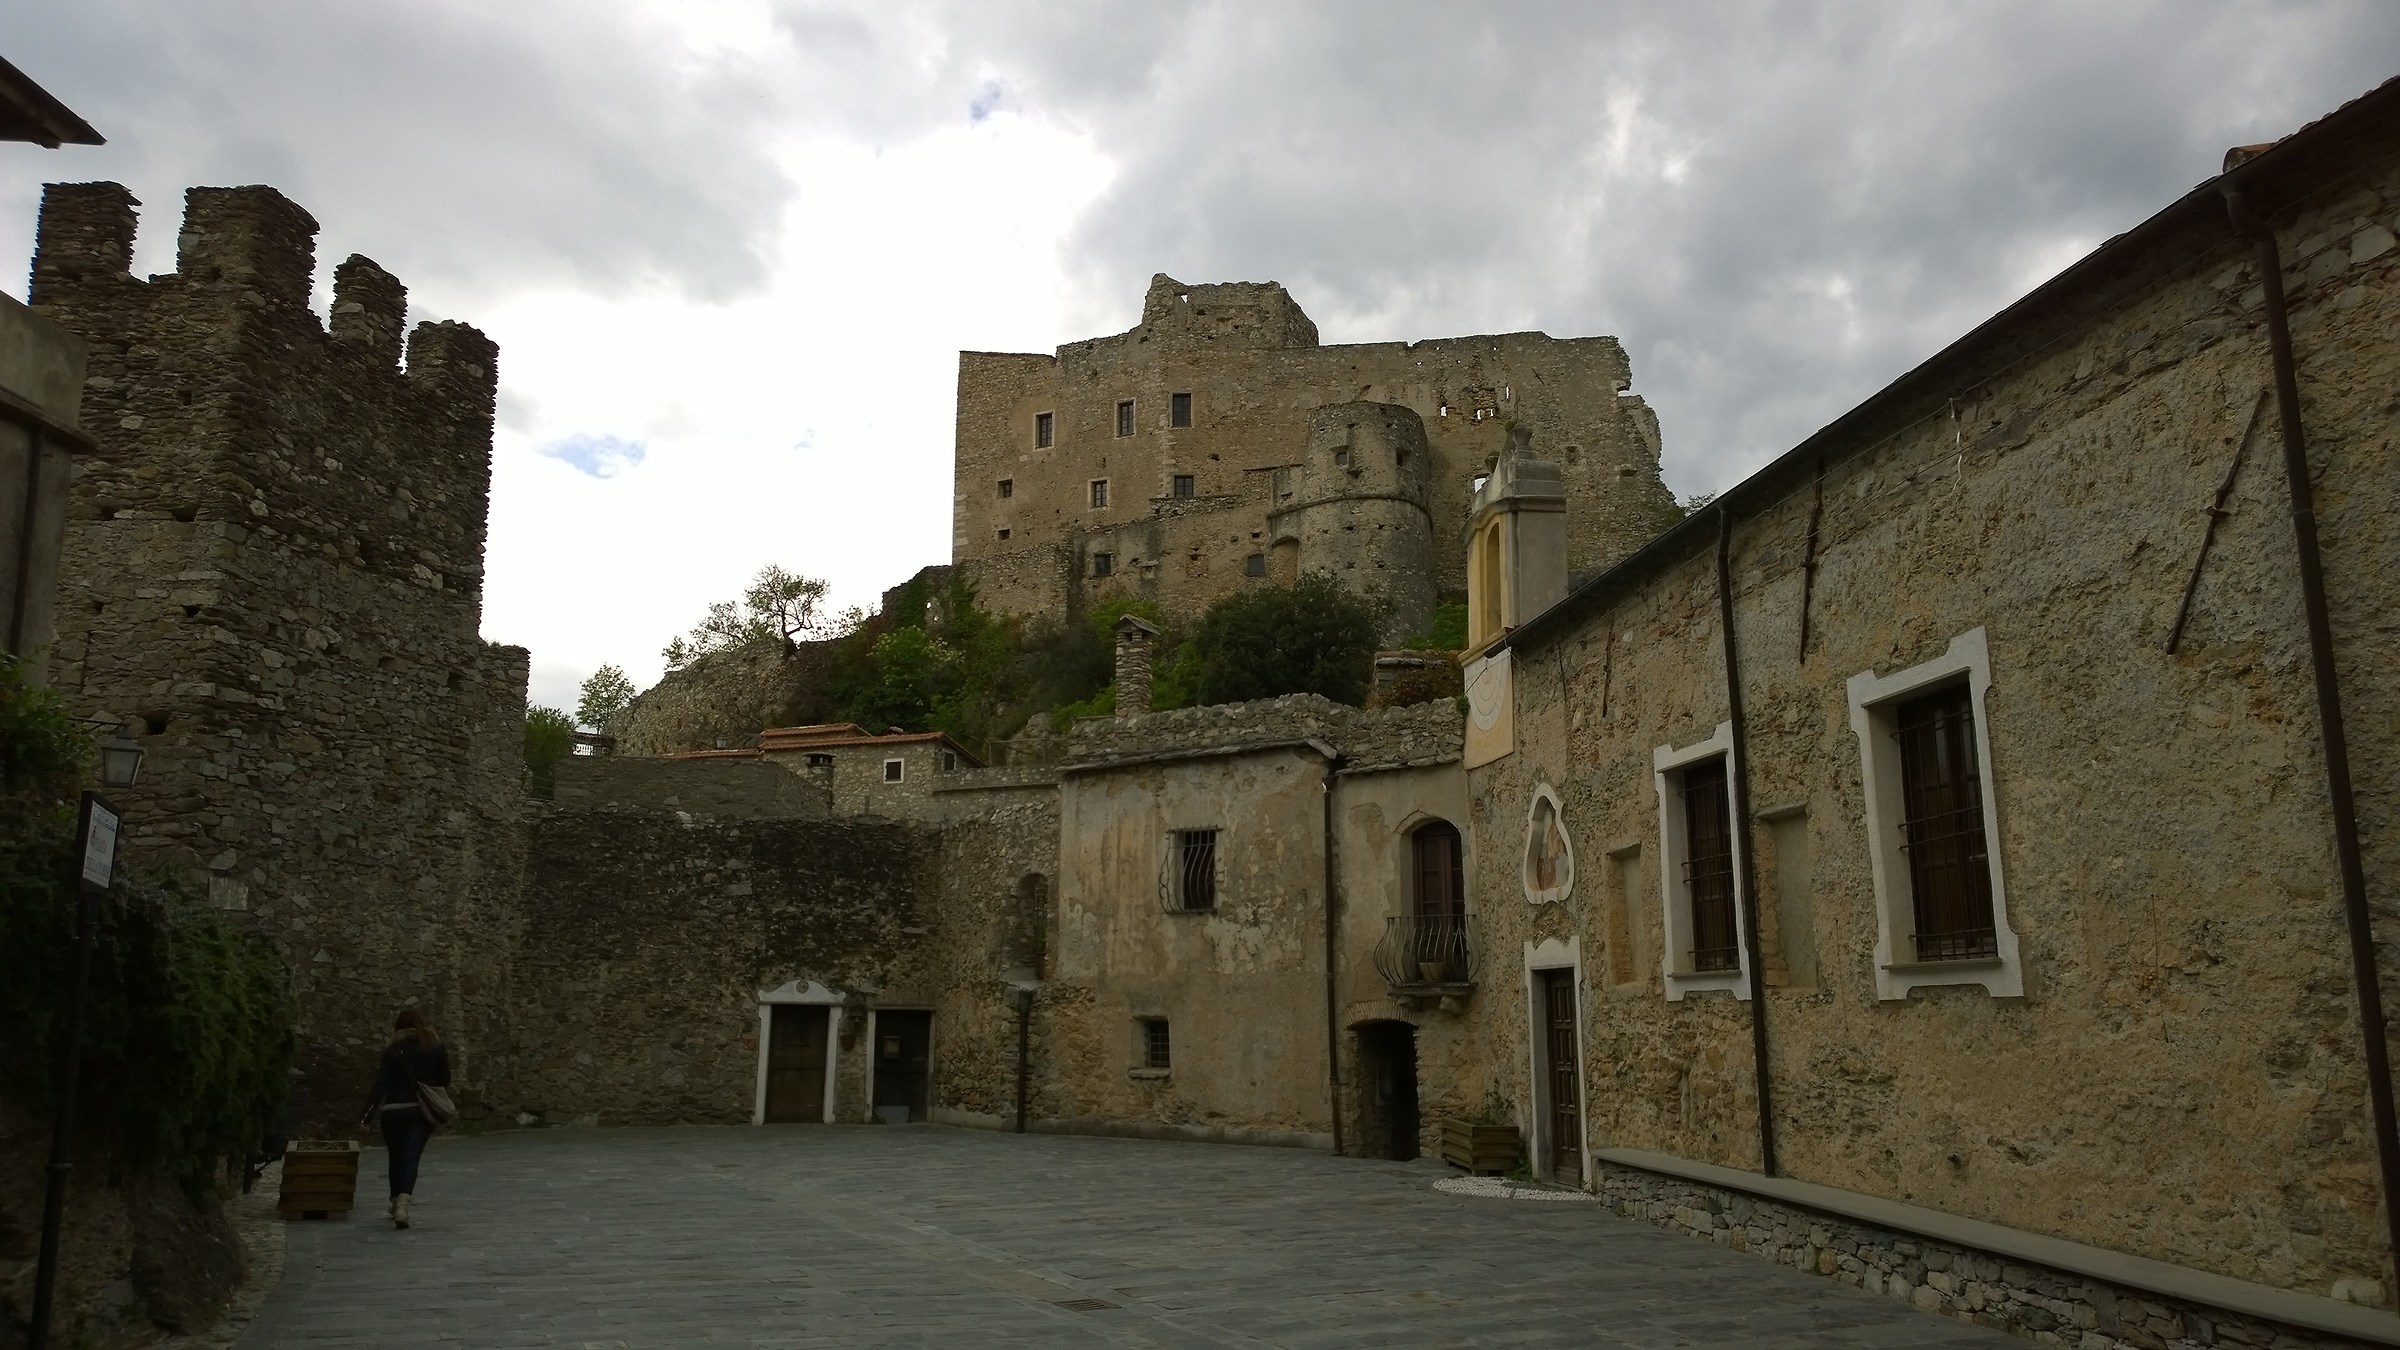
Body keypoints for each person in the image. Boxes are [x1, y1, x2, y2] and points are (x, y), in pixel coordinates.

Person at [359, 1008, 450, 1229]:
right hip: (420, 1112)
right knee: (411, 1157)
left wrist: (366, 1116)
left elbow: (381, 1085)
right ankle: (403, 1203)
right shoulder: (435, 1048)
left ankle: (393, 1202)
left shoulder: (393, 1050)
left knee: (396, 1157)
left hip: (393, 1110)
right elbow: (444, 1080)